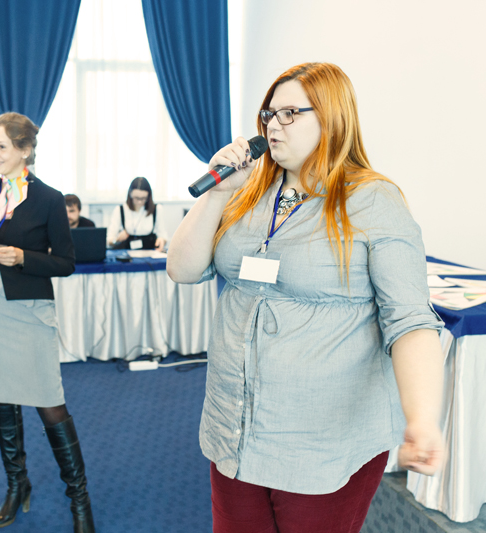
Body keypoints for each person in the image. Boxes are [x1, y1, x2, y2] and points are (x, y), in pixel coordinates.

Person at [166, 63, 445, 533]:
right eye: (268, 114)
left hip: (320, 441)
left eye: (290, 113)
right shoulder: (250, 191)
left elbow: (411, 320)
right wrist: (216, 194)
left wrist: (422, 418)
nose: (272, 125)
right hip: (234, 426)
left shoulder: (372, 200)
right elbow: (183, 269)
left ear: (332, 117)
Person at [0, 112, 95, 532]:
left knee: (50, 402)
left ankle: (79, 499)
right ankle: (17, 484)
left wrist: (24, 257)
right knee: (3, 396)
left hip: (30, 310)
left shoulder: (49, 198)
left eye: (1, 146)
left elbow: (66, 263)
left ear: (25, 150)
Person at [106, 177, 167, 250]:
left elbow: (163, 235)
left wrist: (162, 240)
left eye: (143, 198)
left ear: (149, 196)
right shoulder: (120, 210)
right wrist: (116, 240)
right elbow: (109, 240)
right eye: (136, 198)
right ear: (130, 194)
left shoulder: (157, 209)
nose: (140, 202)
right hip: (126, 254)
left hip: (149, 252)